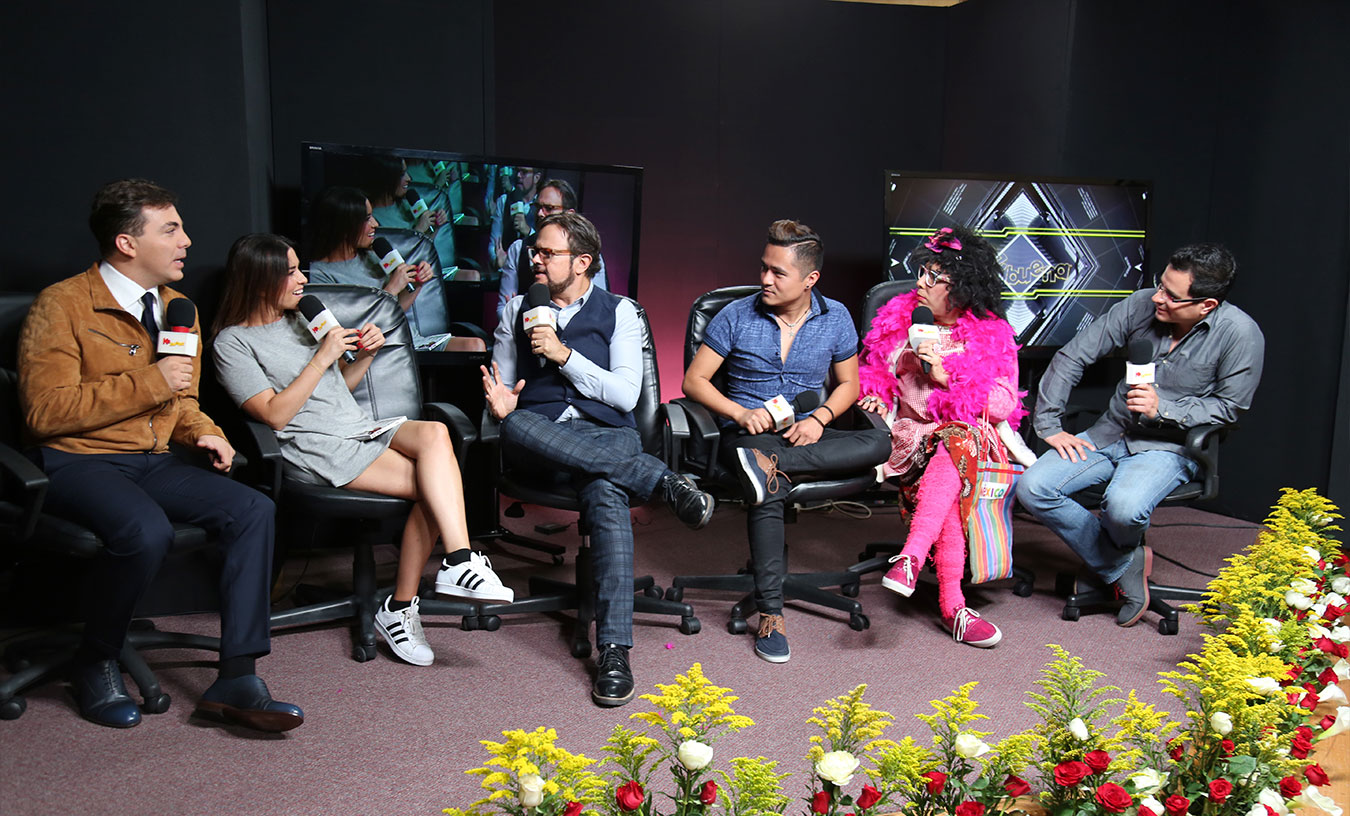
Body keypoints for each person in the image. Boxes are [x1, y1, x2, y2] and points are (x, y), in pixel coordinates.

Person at [16, 179, 302, 732]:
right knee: (146, 532)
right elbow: (44, 413)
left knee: (253, 510)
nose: (186, 241)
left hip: (153, 459)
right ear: (127, 243)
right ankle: (95, 659)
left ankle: (237, 677)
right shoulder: (63, 304)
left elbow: (182, 399)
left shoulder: (177, 309)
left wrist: (206, 432)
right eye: (170, 230)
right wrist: (151, 381)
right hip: (78, 460)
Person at [212, 233, 513, 667]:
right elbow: (274, 415)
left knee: (434, 434)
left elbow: (337, 388)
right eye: (291, 272)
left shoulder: (301, 319)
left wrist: (367, 355)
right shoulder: (232, 343)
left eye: (299, 269)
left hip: (358, 427)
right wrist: (323, 356)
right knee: (435, 487)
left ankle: (459, 561)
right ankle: (402, 606)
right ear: (260, 280)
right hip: (313, 445)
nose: (303, 279)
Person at [481, 211, 713, 706]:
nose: (535, 259)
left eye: (548, 253)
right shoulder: (517, 309)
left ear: (582, 262)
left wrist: (564, 356)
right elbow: (505, 388)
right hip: (540, 436)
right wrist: (500, 403)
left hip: (607, 434)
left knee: (605, 490)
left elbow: (626, 396)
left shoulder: (621, 311)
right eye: (535, 251)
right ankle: (662, 481)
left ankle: (613, 651)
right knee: (516, 425)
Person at [1016, 243, 1264, 626]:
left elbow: (1230, 408)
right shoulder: (1141, 304)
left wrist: (1164, 408)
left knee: (1124, 509)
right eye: (1160, 285)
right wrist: (1049, 424)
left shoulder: (1240, 334)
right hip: (1110, 432)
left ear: (1207, 305)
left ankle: (1111, 564)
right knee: (1033, 487)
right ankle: (1121, 566)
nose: (1158, 298)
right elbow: (1073, 355)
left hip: (1169, 447)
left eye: (1172, 296)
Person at [682, 219, 892, 664]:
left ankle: (770, 468)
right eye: (764, 267)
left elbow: (848, 385)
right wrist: (740, 412)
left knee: (880, 444)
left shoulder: (835, 317)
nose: (765, 279)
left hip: (802, 433)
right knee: (768, 489)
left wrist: (820, 418)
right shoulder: (736, 315)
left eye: (778, 272)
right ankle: (771, 615)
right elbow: (694, 381)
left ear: (810, 278)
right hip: (749, 434)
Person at [857, 226, 1032, 647]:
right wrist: (877, 398)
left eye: (935, 277)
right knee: (952, 454)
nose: (921, 283)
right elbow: (873, 377)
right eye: (922, 272)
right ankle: (953, 607)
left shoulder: (992, 335)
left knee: (956, 442)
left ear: (963, 289)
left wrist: (945, 375)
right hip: (913, 439)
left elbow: (1003, 404)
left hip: (970, 443)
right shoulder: (901, 324)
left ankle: (913, 560)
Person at [306, 186, 483, 351]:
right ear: (344, 226)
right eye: (367, 219)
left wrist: (418, 283)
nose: (375, 224)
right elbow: (352, 331)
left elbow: (397, 309)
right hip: (379, 351)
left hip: (411, 339)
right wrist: (391, 288)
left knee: (475, 345)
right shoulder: (319, 274)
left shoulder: (374, 255)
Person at [496, 179, 609, 320]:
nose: (540, 214)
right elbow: (504, 311)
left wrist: (522, 314)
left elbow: (598, 311)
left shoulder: (587, 253)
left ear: (569, 214)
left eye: (549, 208)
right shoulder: (518, 249)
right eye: (538, 207)